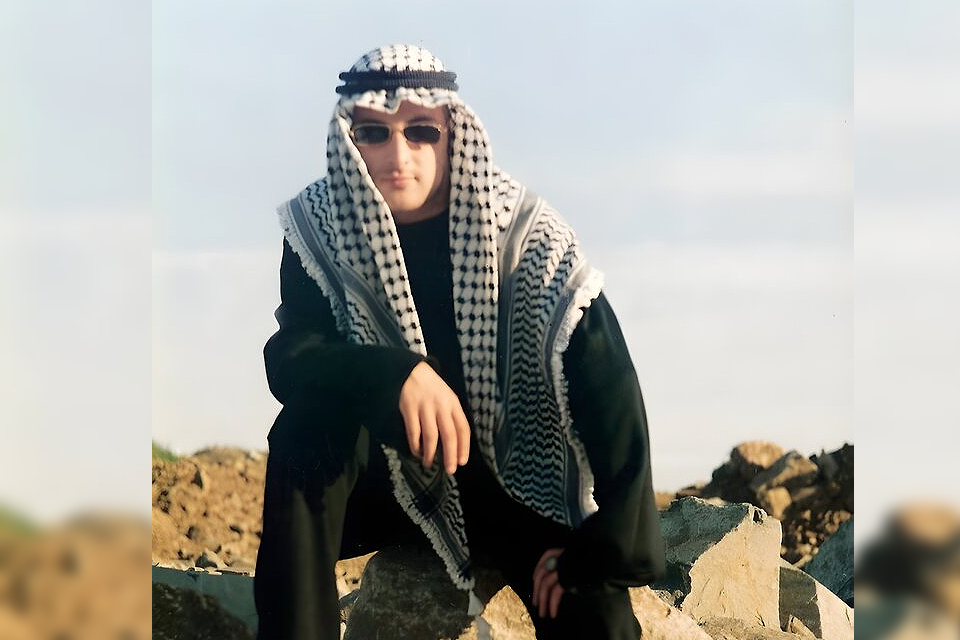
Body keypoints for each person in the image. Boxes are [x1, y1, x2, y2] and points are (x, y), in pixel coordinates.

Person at [254, 44, 666, 640]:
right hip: (392, 486)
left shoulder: (523, 235)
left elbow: (610, 386)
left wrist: (603, 549)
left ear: (452, 134)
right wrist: (395, 372)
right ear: (350, 139)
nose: (399, 156)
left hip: (519, 487)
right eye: (374, 133)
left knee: (591, 608)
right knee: (306, 428)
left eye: (421, 132)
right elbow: (291, 358)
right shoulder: (321, 225)